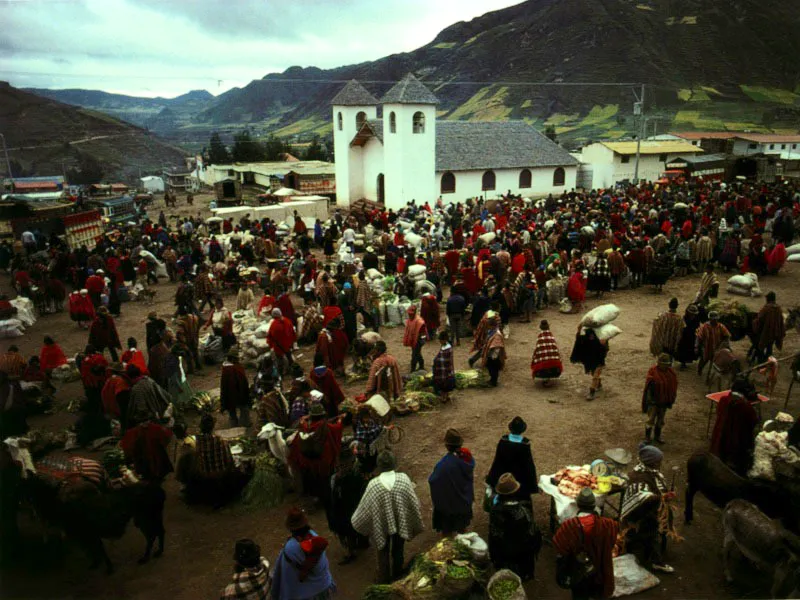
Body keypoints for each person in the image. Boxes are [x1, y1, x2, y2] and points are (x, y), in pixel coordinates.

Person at [351, 451, 424, 584]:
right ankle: (398, 574)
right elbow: (413, 502)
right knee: (398, 548)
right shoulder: (403, 479)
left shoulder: (374, 485)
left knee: (382, 550)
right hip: (400, 522)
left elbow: (365, 508)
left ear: (379, 466)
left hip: (381, 526)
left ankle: (383, 579)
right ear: (394, 464)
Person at [553, 488, 619, 599]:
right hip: (600, 571)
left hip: (578, 574)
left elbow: (559, 547)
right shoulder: (608, 524)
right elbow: (612, 542)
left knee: (579, 595)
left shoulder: (569, 526)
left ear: (578, 505)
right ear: (594, 505)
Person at [620, 444, 677, 574]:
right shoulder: (638, 477)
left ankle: (641, 550)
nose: (660, 464)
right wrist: (662, 497)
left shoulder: (650, 473)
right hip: (639, 515)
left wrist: (664, 496)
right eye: (658, 462)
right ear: (652, 462)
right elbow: (642, 498)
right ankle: (656, 562)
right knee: (652, 534)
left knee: (651, 534)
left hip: (648, 511)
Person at [271, 507, 336, 600]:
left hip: (306, 596)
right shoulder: (315, 536)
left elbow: (286, 576)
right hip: (324, 585)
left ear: (291, 529)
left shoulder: (290, 548)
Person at [288, 403, 344, 508]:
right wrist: (340, 420)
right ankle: (325, 500)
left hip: (309, 462)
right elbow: (337, 429)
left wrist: (304, 420)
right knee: (324, 481)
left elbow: (301, 427)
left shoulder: (305, 426)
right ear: (322, 415)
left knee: (314, 480)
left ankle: (314, 497)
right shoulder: (326, 426)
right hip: (323, 461)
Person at [488, 473, 541, 581]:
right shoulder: (523, 510)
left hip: (503, 552)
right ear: (516, 491)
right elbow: (531, 532)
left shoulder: (495, 510)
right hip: (522, 551)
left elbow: (494, 533)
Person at [428, 429, 475, 536]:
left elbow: (433, 481)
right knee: (462, 528)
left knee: (447, 531)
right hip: (463, 503)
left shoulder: (444, 464)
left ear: (447, 446)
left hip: (449, 505)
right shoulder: (466, 458)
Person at [485, 417, 539, 510]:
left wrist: (492, 479)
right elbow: (528, 465)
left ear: (511, 428)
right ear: (522, 430)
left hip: (504, 476)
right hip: (520, 479)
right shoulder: (524, 445)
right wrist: (532, 484)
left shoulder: (503, 441)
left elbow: (497, 461)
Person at [327, 455, 370, 566]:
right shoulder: (339, 479)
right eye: (339, 467)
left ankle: (352, 551)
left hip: (349, 510)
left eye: (342, 466)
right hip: (348, 509)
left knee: (348, 531)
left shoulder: (345, 479)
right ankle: (359, 544)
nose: (340, 469)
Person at [710, 377, 759, 474]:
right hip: (736, 441)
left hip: (720, 435)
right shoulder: (746, 407)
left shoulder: (723, 400)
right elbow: (753, 422)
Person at [120, 412, 174, 482]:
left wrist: (162, 444)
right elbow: (127, 443)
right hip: (142, 455)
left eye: (146, 420)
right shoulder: (135, 431)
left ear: (149, 420)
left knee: (158, 468)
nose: (144, 423)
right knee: (145, 471)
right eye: (142, 421)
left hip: (155, 453)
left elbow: (166, 435)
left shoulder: (155, 427)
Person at [642, 353, 678, 444]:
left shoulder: (671, 373)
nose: (664, 366)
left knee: (661, 419)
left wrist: (669, 400)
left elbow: (673, 387)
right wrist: (651, 401)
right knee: (651, 419)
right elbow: (649, 388)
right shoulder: (653, 372)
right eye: (663, 364)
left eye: (666, 364)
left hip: (664, 401)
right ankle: (647, 437)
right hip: (653, 401)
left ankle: (657, 436)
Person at [570, 325, 608, 400]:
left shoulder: (601, 338)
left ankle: (592, 393)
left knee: (595, 376)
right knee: (593, 374)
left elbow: (605, 350)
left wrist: (603, 345)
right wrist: (578, 330)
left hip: (599, 360)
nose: (591, 337)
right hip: (590, 360)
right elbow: (578, 340)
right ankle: (599, 383)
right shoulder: (586, 338)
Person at [752, 291, 785, 364]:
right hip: (774, 333)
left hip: (765, 332)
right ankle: (768, 362)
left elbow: (760, 319)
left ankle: (761, 363)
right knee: (769, 348)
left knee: (761, 347)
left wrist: (754, 323)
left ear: (769, 299)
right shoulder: (778, 308)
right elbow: (781, 320)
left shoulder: (766, 308)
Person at [695, 311, 730, 377]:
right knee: (703, 360)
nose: (714, 321)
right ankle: (699, 370)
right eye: (713, 319)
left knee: (717, 362)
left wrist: (725, 344)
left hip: (717, 348)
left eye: (716, 319)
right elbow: (699, 337)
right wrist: (696, 346)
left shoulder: (721, 326)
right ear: (710, 319)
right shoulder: (704, 327)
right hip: (707, 348)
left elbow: (727, 336)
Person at [309, 353, 344, 418]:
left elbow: (312, 387)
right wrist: (340, 397)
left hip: (318, 398)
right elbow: (334, 386)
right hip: (330, 398)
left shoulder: (312, 373)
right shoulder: (328, 372)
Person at [221, 351, 251, 428]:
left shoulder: (226, 369)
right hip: (238, 393)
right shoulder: (234, 369)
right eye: (236, 358)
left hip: (230, 394)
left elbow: (224, 384)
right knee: (243, 408)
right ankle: (244, 423)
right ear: (232, 359)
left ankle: (234, 424)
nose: (238, 360)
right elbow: (240, 382)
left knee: (232, 409)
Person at [530, 319, 563, 387]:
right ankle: (549, 377)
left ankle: (545, 377)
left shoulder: (540, 337)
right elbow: (555, 350)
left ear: (540, 327)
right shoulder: (551, 336)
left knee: (541, 361)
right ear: (548, 327)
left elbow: (538, 350)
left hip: (544, 366)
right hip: (554, 366)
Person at [268, 308, 297, 374]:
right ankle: (293, 370)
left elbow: (271, 336)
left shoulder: (274, 324)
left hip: (278, 346)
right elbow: (292, 332)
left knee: (280, 361)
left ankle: (281, 374)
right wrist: (293, 342)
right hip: (288, 345)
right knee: (289, 358)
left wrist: (270, 344)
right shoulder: (287, 321)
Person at [481, 314, 506, 387]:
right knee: (490, 367)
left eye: (488, 325)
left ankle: (494, 382)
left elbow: (497, 346)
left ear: (492, 326)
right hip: (490, 353)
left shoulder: (497, 334)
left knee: (494, 369)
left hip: (494, 355)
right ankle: (492, 380)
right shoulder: (491, 331)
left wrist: (493, 356)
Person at [431, 331, 455, 402]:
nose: (439, 341)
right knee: (446, 383)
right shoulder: (445, 346)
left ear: (444, 340)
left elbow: (444, 359)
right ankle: (446, 396)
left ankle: (444, 397)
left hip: (445, 369)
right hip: (446, 369)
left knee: (444, 384)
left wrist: (436, 361)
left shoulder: (447, 348)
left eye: (440, 340)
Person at [675, 304, 700, 370]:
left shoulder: (696, 319)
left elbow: (698, 328)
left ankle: (687, 361)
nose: (693, 315)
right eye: (691, 313)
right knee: (683, 350)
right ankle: (683, 363)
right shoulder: (684, 319)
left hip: (692, 337)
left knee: (690, 350)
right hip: (684, 337)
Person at [403, 305, 427, 372]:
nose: (409, 315)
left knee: (414, 355)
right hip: (413, 340)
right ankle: (421, 366)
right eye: (409, 313)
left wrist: (421, 341)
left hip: (418, 340)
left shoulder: (419, 322)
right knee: (417, 353)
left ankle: (412, 370)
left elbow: (423, 333)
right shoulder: (410, 320)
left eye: (411, 314)